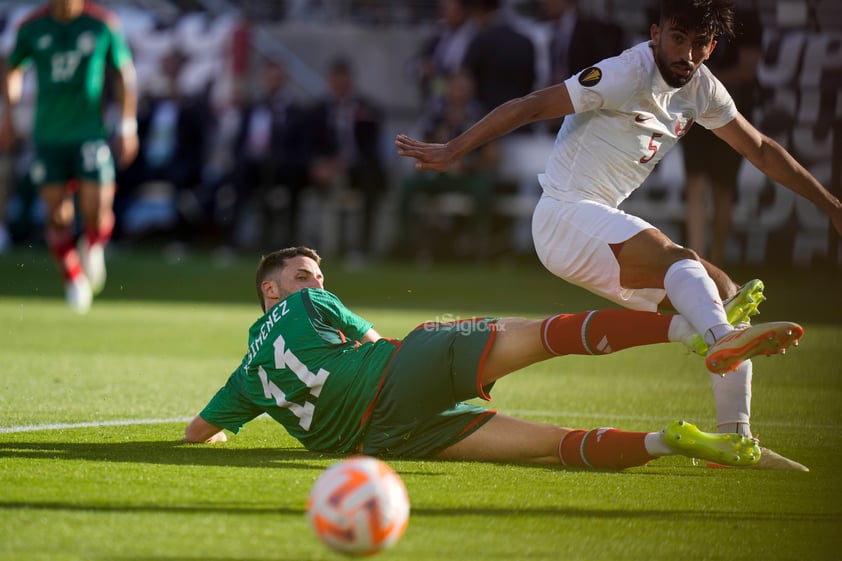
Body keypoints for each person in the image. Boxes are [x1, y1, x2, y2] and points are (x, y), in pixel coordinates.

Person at [396, 0, 842, 470]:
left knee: (725, 295)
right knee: (680, 261)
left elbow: (762, 150)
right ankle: (720, 340)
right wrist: (453, 149)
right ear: (655, 33)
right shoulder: (623, 73)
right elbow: (531, 106)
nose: (685, 53)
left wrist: (832, 207)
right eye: (676, 38)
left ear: (711, 48)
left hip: (595, 222)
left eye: (697, 44)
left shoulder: (704, 89)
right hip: (564, 215)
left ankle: (736, 442)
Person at [183, 246, 801, 471]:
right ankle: (693, 336)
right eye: (302, 275)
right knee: (542, 335)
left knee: (550, 447)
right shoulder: (309, 304)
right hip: (403, 370)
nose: (315, 281)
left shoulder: (244, 376)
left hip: (383, 441)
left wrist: (247, 420)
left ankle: (672, 443)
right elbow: (372, 344)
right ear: (272, 289)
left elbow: (198, 433)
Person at [0, 0, 138, 314]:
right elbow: (13, 67)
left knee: (95, 207)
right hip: (48, 136)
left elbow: (123, 73)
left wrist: (128, 126)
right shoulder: (32, 26)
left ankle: (92, 243)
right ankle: (73, 277)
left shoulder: (102, 24)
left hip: (90, 132)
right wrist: (8, 113)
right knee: (57, 215)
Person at [680, 6, 762, 265]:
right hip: (694, 110)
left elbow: (748, 70)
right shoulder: (693, 12)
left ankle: (715, 261)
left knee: (721, 189)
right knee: (695, 183)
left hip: (731, 112)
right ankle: (696, 262)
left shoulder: (747, 17)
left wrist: (705, 82)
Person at [307, 57, 387, 262]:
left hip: (358, 169)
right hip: (328, 169)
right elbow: (311, 145)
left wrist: (346, 162)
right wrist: (321, 164)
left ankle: (362, 247)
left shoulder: (367, 110)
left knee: (372, 183)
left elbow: (371, 148)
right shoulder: (318, 110)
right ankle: (318, 247)